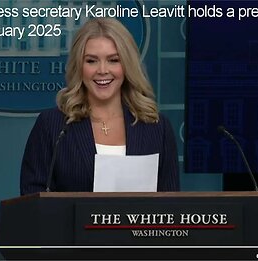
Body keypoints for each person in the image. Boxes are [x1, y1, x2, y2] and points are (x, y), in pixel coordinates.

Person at [20, 18, 179, 194]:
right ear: (79, 66)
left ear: (127, 65)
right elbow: (33, 199)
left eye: (113, 60)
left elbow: (170, 204)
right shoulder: (52, 126)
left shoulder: (156, 127)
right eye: (91, 61)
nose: (102, 70)